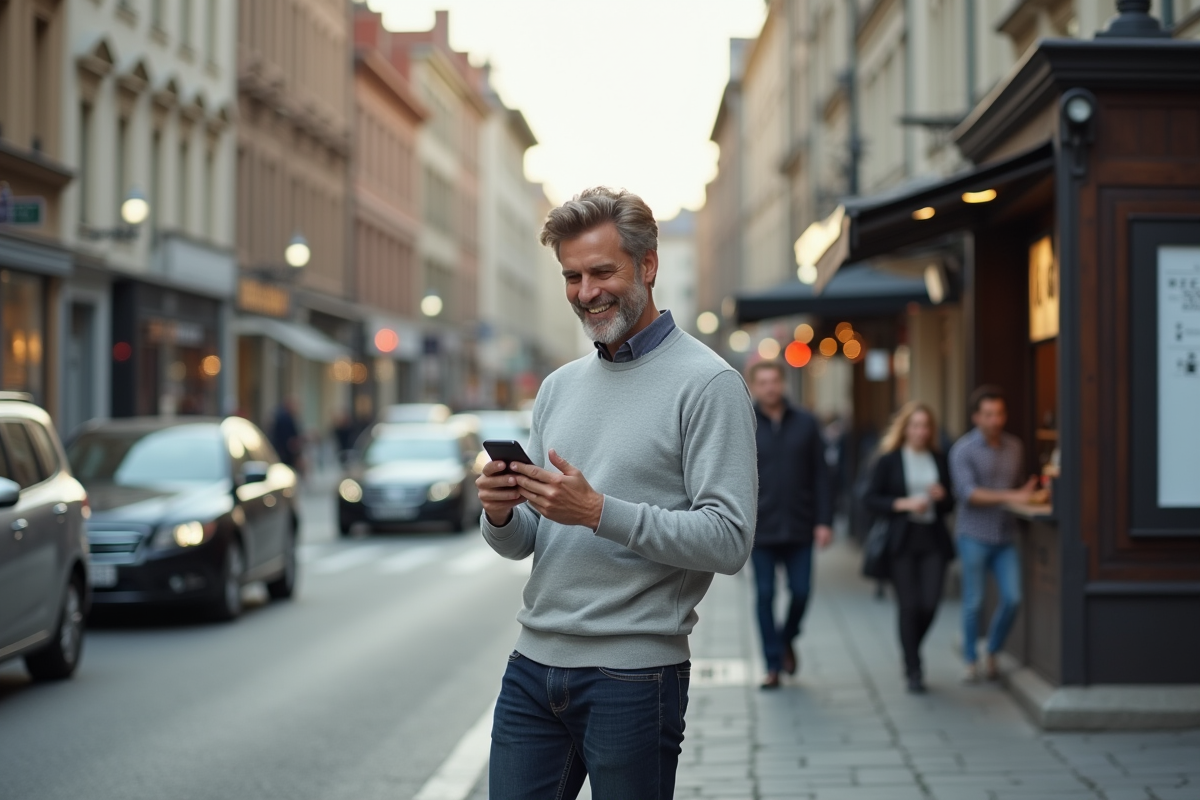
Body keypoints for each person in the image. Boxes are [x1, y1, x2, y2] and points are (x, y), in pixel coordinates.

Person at [475, 187, 758, 800]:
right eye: (572, 276)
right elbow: (526, 541)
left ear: (648, 265)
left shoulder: (709, 384)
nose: (586, 292)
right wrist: (500, 511)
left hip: (634, 675)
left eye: (602, 271)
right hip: (533, 665)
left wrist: (598, 511)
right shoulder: (557, 387)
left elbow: (730, 539)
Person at [747, 360, 833, 690]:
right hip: (761, 528)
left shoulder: (807, 424)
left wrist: (824, 521)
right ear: (755, 386)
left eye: (775, 381)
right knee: (765, 594)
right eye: (763, 382)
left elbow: (822, 476)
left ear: (783, 384)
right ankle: (772, 664)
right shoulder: (746, 422)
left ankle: (786, 639)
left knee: (801, 592)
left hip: (800, 524)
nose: (770, 387)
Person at [864, 402, 956, 693]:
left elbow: (951, 503)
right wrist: (902, 504)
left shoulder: (939, 459)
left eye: (925, 426)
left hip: (933, 540)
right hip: (901, 541)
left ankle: (911, 648)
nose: (920, 431)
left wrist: (942, 497)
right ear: (905, 429)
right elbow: (869, 498)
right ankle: (913, 668)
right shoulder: (889, 459)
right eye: (915, 426)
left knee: (929, 604)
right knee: (910, 605)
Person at [949, 385, 1038, 682]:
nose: (995, 420)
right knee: (974, 601)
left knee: (1013, 598)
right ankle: (970, 660)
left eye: (999, 413)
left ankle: (993, 650)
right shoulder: (962, 450)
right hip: (973, 534)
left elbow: (1019, 487)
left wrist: (1027, 493)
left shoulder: (1015, 447)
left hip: (1005, 536)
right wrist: (1013, 496)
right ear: (976, 417)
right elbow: (968, 494)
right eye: (988, 414)